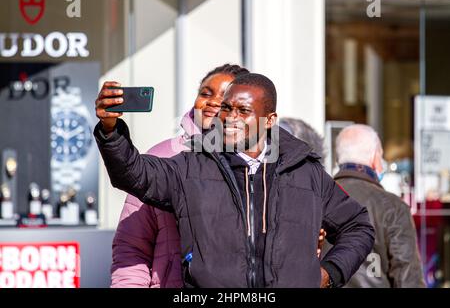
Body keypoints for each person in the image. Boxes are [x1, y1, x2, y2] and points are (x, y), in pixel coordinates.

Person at [95, 72, 374, 288]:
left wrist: (328, 274)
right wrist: (110, 130)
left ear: (269, 120)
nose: (230, 118)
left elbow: (358, 227)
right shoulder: (193, 164)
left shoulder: (305, 171)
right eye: (227, 109)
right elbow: (133, 174)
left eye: (243, 111)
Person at [111, 64, 250, 287]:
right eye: (205, 93)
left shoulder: (256, 164)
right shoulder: (163, 155)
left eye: (224, 96)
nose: (212, 101)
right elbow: (132, 246)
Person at [334, 124, 426, 288]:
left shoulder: (314, 199)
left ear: (338, 159)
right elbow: (407, 279)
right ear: (376, 158)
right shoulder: (393, 207)